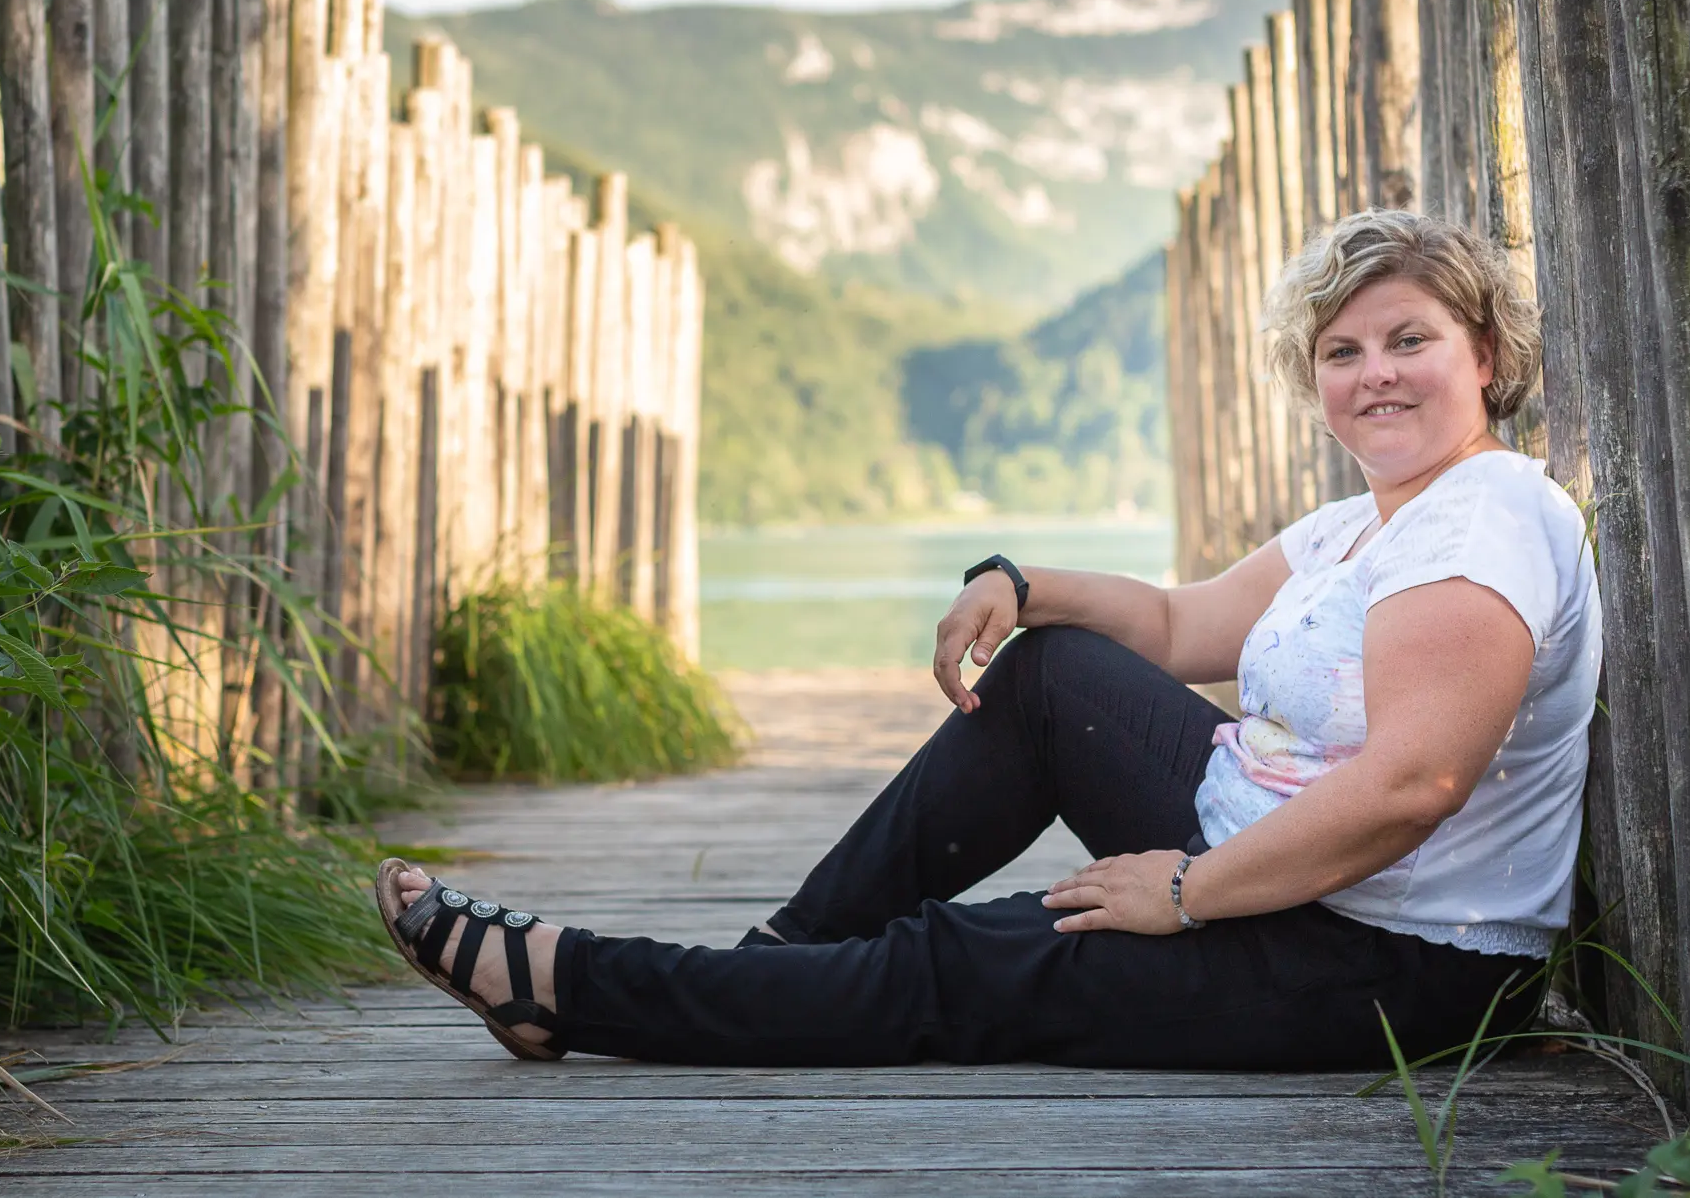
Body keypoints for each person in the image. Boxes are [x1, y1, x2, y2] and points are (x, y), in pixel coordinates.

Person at [375, 209, 1601, 1070]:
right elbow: (1177, 624)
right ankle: (776, 970)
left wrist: (1183, 893)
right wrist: (1019, 581)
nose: (1372, 375)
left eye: (1409, 341)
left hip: (1389, 959)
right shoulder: (1362, 522)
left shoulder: (1483, 518)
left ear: (1483, 358)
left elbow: (1413, 784)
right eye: (1341, 352)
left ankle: (570, 986)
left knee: (967, 960)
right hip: (1270, 852)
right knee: (1052, 673)